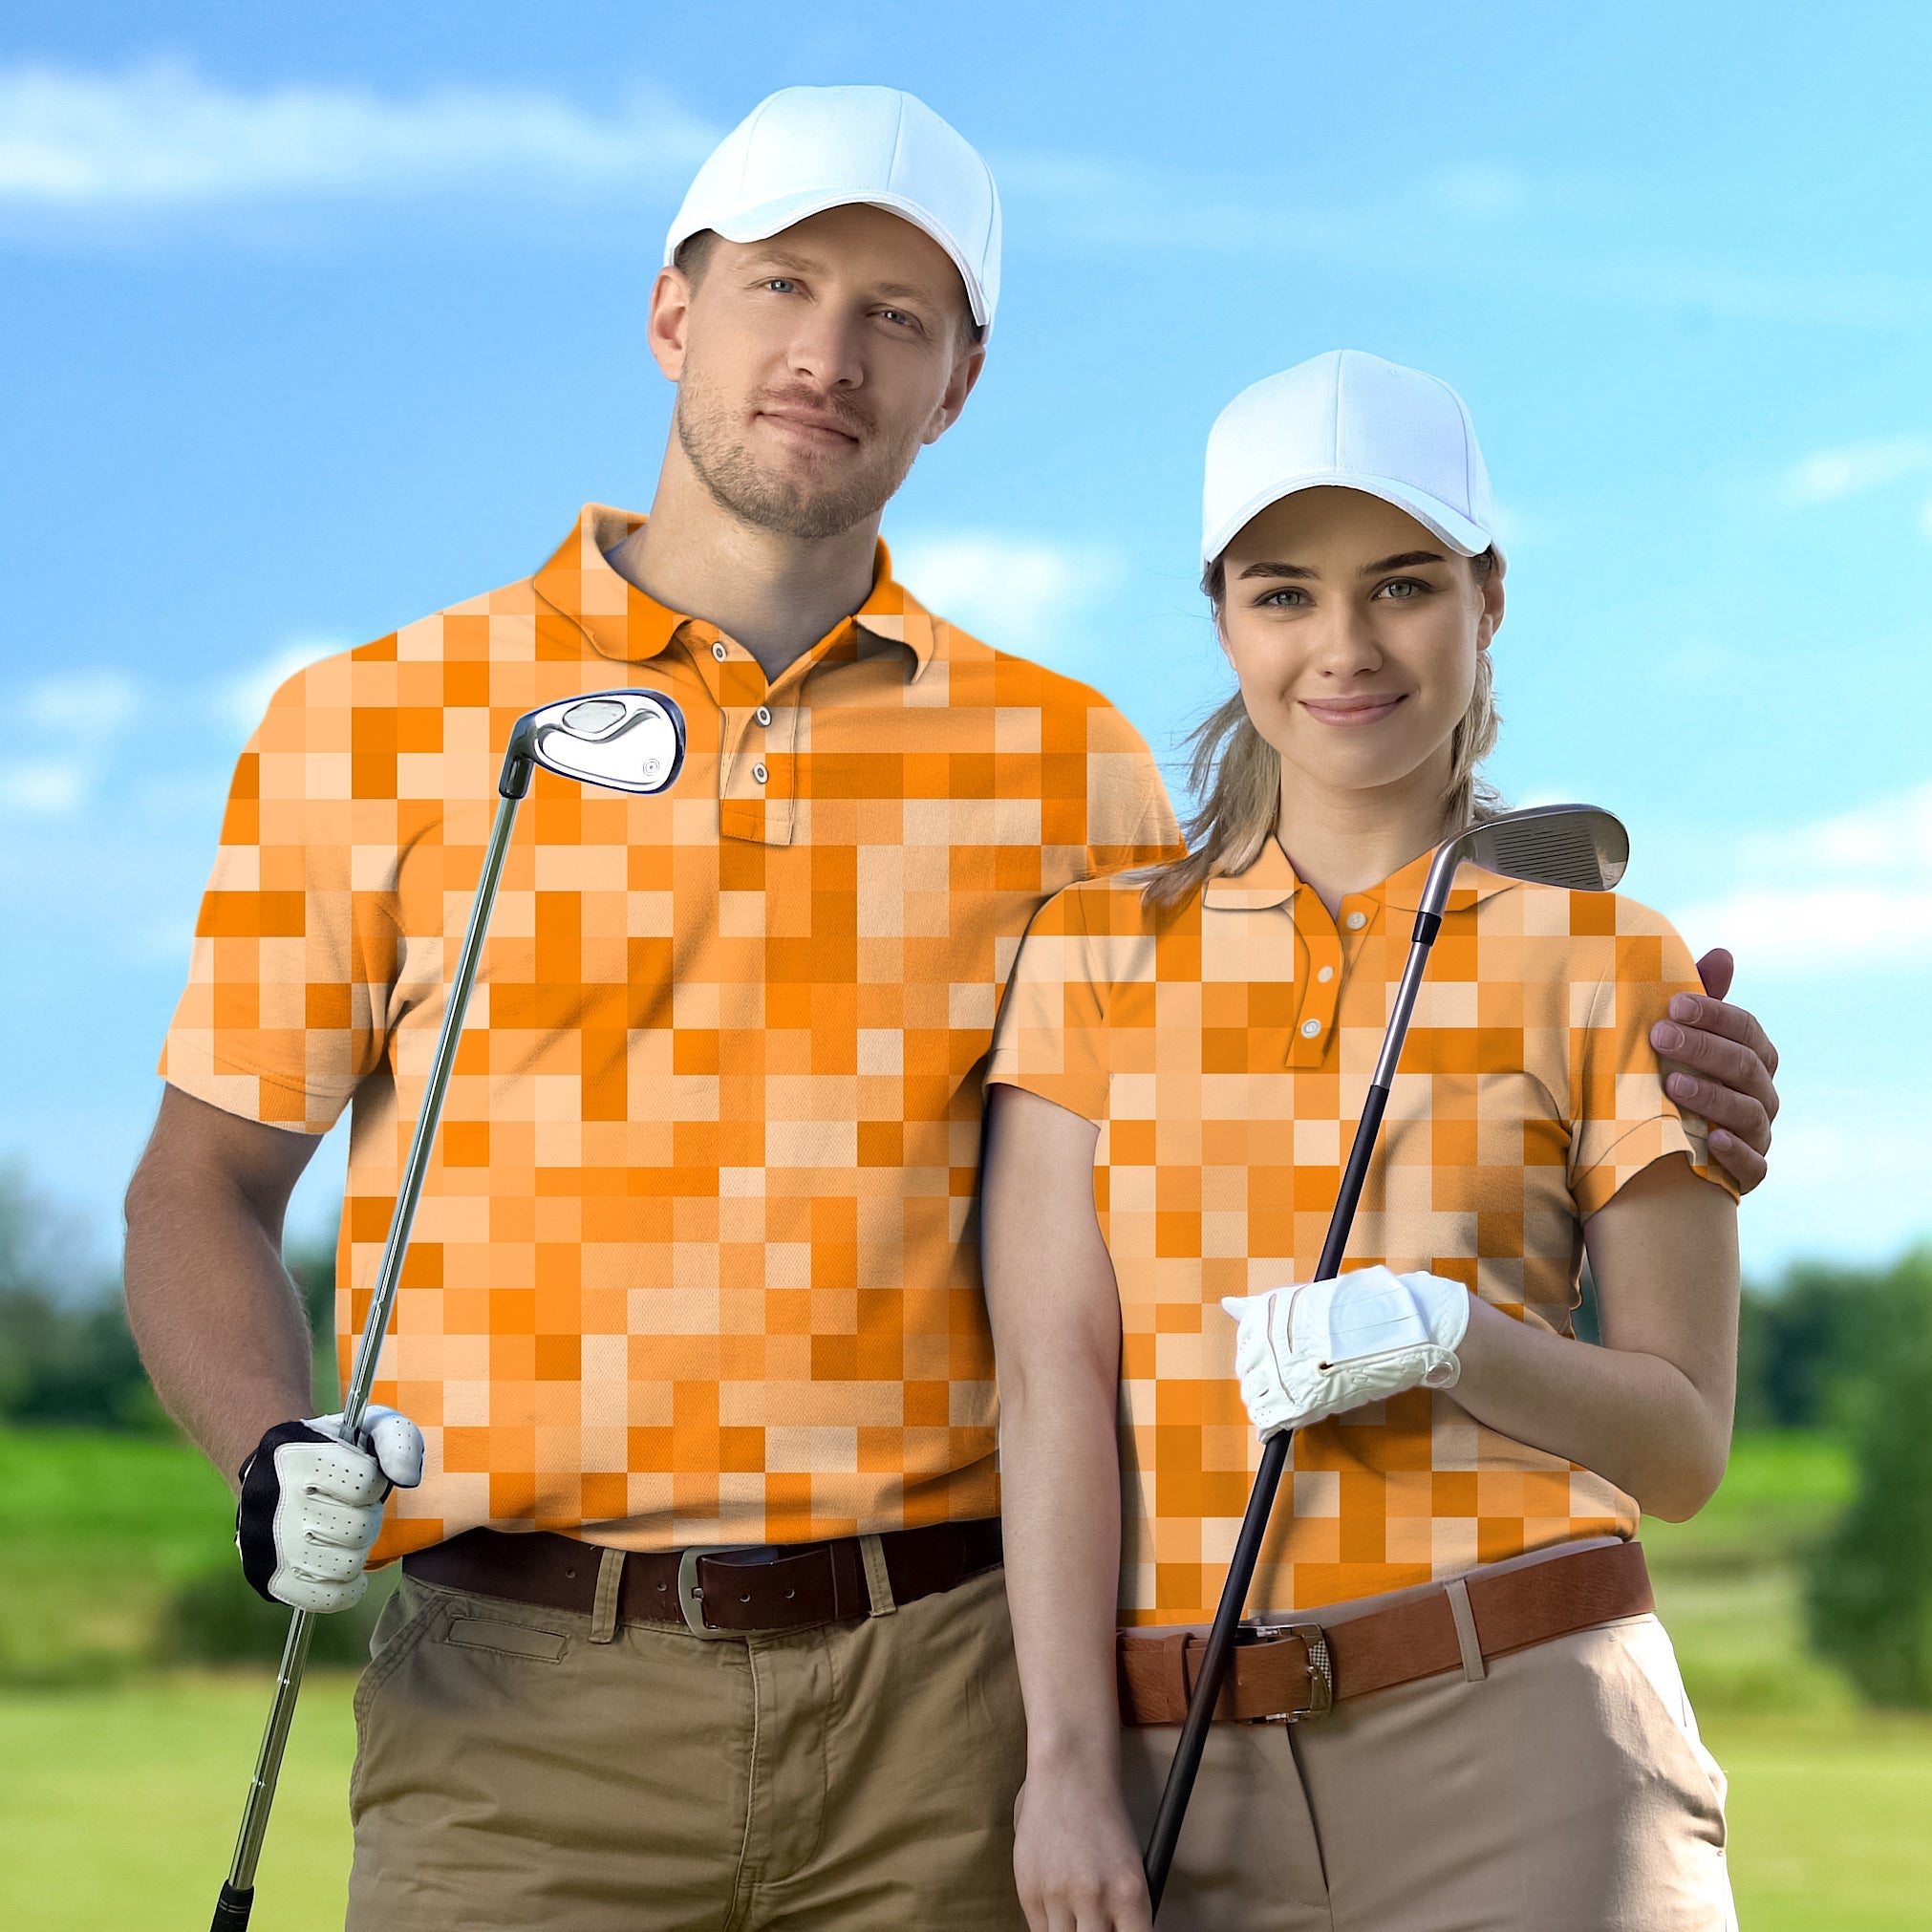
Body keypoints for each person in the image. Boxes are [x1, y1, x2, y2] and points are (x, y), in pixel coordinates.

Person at [119, 81, 1778, 1928]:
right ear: (673, 309)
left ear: (960, 379)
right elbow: (198, 1187)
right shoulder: (365, 727)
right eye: (781, 286)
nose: (827, 354)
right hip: (514, 1704)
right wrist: (270, 1451)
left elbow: (1277, 1039)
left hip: (946, 1699)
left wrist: (1654, 1060)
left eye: (894, 316)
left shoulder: (1066, 765)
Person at [983, 351, 1750, 1930]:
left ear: (1485, 600)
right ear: (1220, 618)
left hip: (1533, 1736)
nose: (1342, 647)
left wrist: (1444, 1333)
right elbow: (1048, 1381)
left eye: (1400, 584)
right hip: (1183, 1773)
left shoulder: (1608, 954)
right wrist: (1062, 1761)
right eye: (1283, 594)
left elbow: (1678, 1449)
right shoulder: (1088, 956)